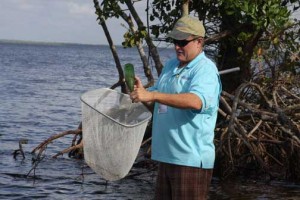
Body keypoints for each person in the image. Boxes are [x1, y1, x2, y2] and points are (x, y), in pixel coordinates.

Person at [130, 15, 222, 200]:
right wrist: (141, 95)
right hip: (167, 157)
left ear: (199, 42)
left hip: (190, 161)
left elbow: (196, 101)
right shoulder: (171, 65)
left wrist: (153, 95)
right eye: (174, 41)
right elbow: (155, 100)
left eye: (182, 42)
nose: (177, 47)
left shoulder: (205, 69)